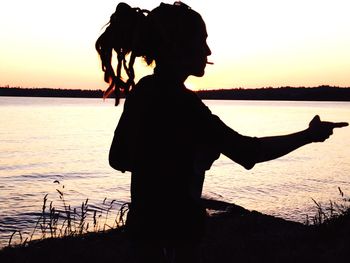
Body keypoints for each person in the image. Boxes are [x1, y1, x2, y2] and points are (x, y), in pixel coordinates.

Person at [96, 2, 348, 262]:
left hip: (142, 234)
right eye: (201, 41)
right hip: (174, 239)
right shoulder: (184, 104)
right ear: (177, 45)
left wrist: (177, 155)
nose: (208, 50)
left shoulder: (143, 92)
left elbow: (118, 158)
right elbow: (249, 152)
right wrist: (309, 135)